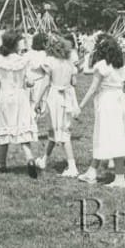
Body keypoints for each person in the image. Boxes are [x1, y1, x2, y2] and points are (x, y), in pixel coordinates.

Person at [77, 36, 125, 188]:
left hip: (107, 102)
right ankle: (91, 172)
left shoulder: (102, 65)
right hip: (119, 103)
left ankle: (119, 179)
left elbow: (93, 88)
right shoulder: (120, 66)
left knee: (108, 137)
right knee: (109, 136)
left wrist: (80, 106)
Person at [0, 29, 40, 178]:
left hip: (4, 98)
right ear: (14, 44)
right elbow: (29, 82)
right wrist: (30, 83)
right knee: (22, 130)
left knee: (4, 130)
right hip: (20, 97)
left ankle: (2, 164)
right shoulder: (23, 61)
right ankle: (30, 159)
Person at [33, 35, 81, 177]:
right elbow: (74, 82)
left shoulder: (50, 62)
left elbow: (46, 82)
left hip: (55, 98)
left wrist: (37, 101)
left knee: (63, 133)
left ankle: (72, 167)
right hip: (68, 96)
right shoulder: (69, 64)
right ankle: (44, 160)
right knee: (55, 130)